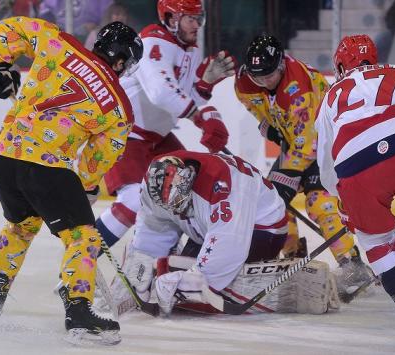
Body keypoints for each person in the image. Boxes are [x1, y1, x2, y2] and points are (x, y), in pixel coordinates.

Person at [0, 15, 142, 345]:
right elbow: (96, 160)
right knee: (83, 235)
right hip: (46, 167)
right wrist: (85, 184)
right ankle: (79, 311)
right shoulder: (119, 108)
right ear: (121, 60)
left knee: (20, 227)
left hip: (5, 156)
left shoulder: (59, 43)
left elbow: (10, 27)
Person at [315, 34, 395, 336]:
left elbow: (326, 165)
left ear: (341, 67)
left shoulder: (331, 96)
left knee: (376, 243)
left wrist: (345, 200)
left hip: (354, 166)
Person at [111, 150, 339, 316]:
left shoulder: (223, 184)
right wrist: (139, 264)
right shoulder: (155, 185)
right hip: (207, 228)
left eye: (179, 202)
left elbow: (229, 243)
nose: (175, 208)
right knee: (167, 271)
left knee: (192, 285)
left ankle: (288, 280)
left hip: (262, 228)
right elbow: (154, 229)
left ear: (188, 178)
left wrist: (201, 280)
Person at [233, 34, 373, 299]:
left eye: (269, 75)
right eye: (257, 76)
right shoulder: (244, 79)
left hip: (325, 146)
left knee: (320, 203)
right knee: (271, 203)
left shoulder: (299, 90)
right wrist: (268, 127)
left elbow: (307, 147)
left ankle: (352, 266)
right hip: (296, 141)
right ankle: (293, 257)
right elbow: (253, 105)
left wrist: (285, 181)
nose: (263, 81)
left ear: (282, 66)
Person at [96, 0, 234, 252]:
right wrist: (200, 118)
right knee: (133, 199)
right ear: (171, 19)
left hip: (156, 138)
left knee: (185, 189)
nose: (197, 25)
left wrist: (205, 84)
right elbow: (161, 93)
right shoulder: (153, 41)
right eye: (190, 18)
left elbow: (184, 96)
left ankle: (165, 262)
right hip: (123, 134)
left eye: (198, 18)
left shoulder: (189, 50)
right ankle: (78, 263)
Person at [38, 0, 113, 41]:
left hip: (88, 37)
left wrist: (98, 28)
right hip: (59, 34)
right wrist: (54, 29)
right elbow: (45, 14)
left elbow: (110, 15)